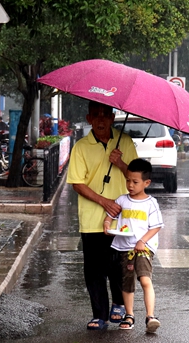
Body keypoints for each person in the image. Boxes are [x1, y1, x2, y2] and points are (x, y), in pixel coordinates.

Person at [67, 102, 138, 331]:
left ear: (112, 117)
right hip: (91, 218)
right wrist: (104, 201)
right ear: (89, 118)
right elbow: (77, 183)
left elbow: (136, 176)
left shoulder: (124, 142)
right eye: (96, 115)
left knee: (118, 265)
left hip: (122, 218)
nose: (100, 119)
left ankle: (118, 303)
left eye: (105, 115)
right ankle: (99, 314)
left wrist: (119, 162)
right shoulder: (80, 147)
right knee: (94, 268)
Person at [104, 158, 164, 333]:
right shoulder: (122, 200)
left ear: (146, 183)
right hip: (125, 248)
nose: (130, 185)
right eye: (128, 180)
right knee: (127, 282)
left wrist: (142, 241)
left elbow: (156, 226)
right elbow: (111, 215)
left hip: (143, 248)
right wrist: (107, 223)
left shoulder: (150, 203)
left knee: (145, 280)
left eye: (135, 182)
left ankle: (150, 316)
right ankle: (129, 315)